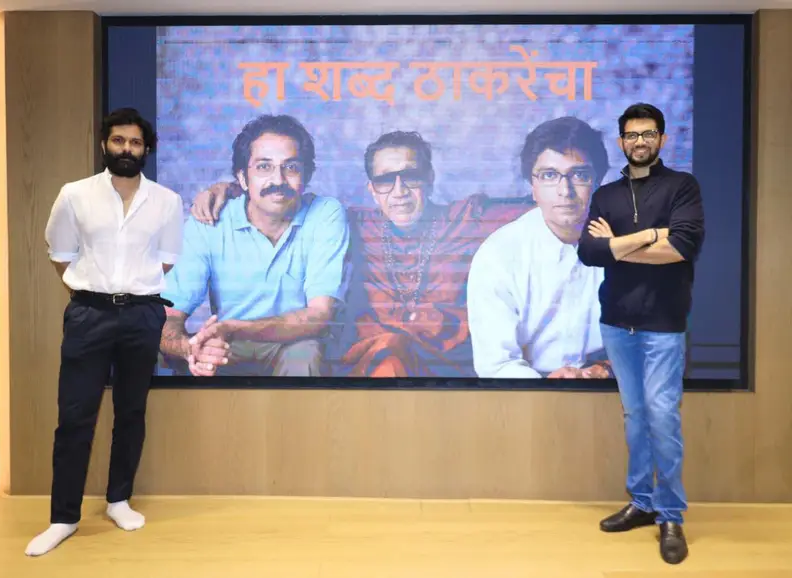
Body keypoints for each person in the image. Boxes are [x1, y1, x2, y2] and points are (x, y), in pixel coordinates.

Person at [188, 130, 531, 378]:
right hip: (373, 367)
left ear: (429, 178)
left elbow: (543, 206)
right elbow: (284, 200)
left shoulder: (468, 218)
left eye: (410, 177)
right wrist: (231, 190)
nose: (399, 191)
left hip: (448, 372)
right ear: (372, 189)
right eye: (385, 181)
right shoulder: (350, 223)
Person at [27, 108, 184, 556]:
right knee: (75, 415)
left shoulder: (167, 201)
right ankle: (63, 518)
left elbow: (166, 259)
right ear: (104, 145)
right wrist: (93, 291)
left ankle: (119, 500)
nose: (126, 149)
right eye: (118, 141)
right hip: (89, 315)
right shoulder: (75, 194)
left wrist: (130, 292)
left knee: (131, 411)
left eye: (135, 142)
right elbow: (60, 253)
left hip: (142, 315)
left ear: (146, 149)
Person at [577, 103, 704, 564]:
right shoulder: (606, 194)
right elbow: (589, 252)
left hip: (664, 323)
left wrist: (616, 245)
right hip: (617, 323)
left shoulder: (682, 186)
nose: (640, 142)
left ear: (662, 139)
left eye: (648, 134)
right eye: (631, 135)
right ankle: (642, 502)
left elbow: (683, 247)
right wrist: (649, 235)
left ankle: (670, 514)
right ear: (621, 142)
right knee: (635, 416)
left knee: (663, 417)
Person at [158, 114, 350, 377]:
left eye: (291, 167)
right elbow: (168, 315)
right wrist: (189, 348)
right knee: (184, 351)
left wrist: (235, 327)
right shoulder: (208, 221)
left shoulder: (325, 214)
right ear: (242, 178)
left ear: (306, 176)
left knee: (305, 352)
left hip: (291, 343)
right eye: (263, 167)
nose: (278, 180)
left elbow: (319, 315)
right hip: (226, 344)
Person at [467, 117, 611, 379]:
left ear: (598, 182)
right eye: (549, 175)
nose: (565, 190)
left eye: (579, 175)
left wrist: (605, 371)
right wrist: (546, 388)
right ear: (532, 187)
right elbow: (496, 365)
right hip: (526, 391)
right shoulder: (498, 255)